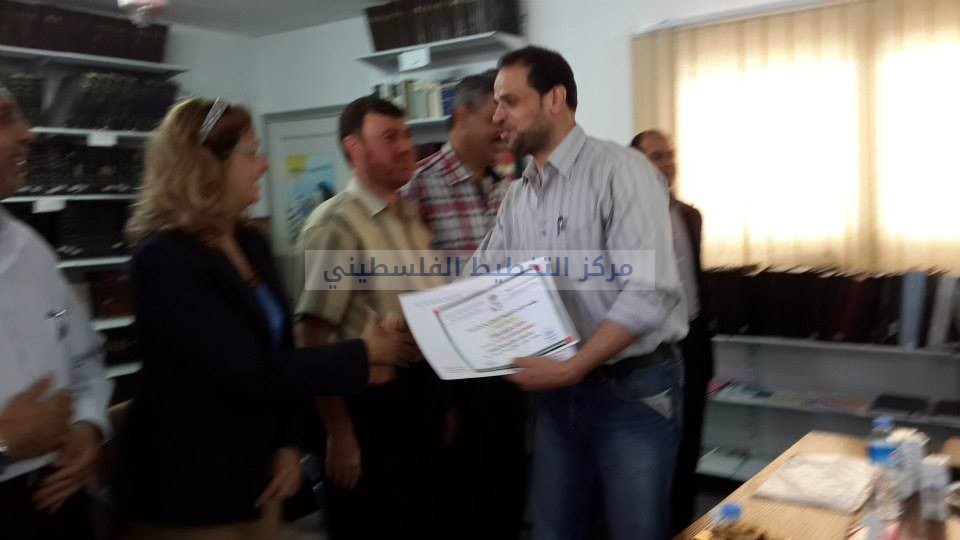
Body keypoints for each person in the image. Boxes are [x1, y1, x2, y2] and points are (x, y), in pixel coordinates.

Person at [113, 97, 418, 539]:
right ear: (207, 164)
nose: (264, 165)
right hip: (187, 483)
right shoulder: (163, 260)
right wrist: (364, 352)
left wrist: (288, 444)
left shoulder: (249, 241)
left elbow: (282, 348)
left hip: (258, 475)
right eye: (252, 153)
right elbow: (248, 368)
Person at [476, 46, 688, 540]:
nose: (497, 116)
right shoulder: (519, 194)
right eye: (496, 103)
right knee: (554, 529)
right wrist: (422, 315)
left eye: (510, 101)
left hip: (631, 388)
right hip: (557, 393)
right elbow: (484, 275)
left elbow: (648, 292)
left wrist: (574, 366)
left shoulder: (622, 171)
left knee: (635, 530)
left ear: (555, 99)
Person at [295, 96, 447, 540]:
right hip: (368, 412)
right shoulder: (335, 225)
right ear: (354, 147)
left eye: (407, 134)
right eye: (389, 137)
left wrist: (442, 405)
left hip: (421, 399)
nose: (406, 146)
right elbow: (311, 337)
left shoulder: (411, 217)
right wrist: (339, 433)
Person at [400, 70, 526, 540]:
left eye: (506, 114)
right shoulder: (419, 186)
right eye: (494, 114)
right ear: (462, 115)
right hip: (454, 374)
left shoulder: (508, 186)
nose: (502, 125)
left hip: (511, 363)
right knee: (459, 499)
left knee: (507, 490)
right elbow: (412, 287)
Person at [0, 85, 111, 540]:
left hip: (59, 500)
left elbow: (84, 359)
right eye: (5, 118)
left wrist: (87, 425)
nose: (28, 134)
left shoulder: (33, 252)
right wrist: (3, 443)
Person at [631, 129, 715, 533]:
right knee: (653, 448)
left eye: (670, 155)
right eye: (656, 156)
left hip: (693, 340)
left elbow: (696, 280)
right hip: (652, 345)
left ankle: (683, 526)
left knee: (689, 444)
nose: (666, 163)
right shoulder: (624, 219)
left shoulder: (690, 215)